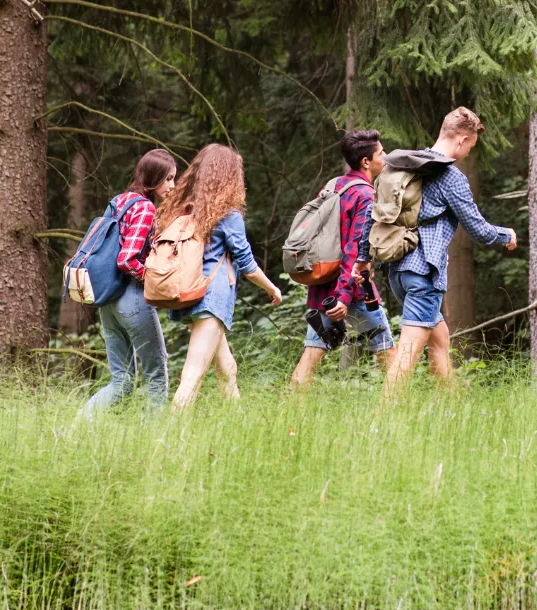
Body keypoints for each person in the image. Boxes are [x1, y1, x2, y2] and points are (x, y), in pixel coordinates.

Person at [383, 107, 518, 393]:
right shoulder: (450, 177)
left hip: (398, 270)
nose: (469, 153)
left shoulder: (409, 165)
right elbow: (478, 229)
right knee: (407, 354)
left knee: (439, 339)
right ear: (461, 140)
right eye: (471, 146)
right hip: (424, 274)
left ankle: (451, 409)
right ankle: (380, 425)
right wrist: (506, 235)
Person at [165, 144, 283, 408]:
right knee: (192, 376)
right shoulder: (228, 215)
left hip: (189, 294)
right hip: (212, 299)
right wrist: (272, 288)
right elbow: (248, 265)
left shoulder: (188, 210)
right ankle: (167, 441)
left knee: (227, 368)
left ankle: (238, 426)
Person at [290, 129, 395, 387]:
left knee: (311, 356)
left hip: (322, 286)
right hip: (352, 292)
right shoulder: (365, 195)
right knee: (388, 354)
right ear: (366, 162)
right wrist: (343, 297)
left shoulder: (333, 186)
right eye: (381, 153)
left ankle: (289, 419)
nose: (386, 157)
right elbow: (354, 251)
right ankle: (398, 413)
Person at [83, 148, 177, 413]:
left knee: (122, 381)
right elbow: (126, 260)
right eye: (168, 179)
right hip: (131, 298)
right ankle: (153, 440)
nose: (172, 185)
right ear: (153, 176)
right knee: (157, 376)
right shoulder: (146, 208)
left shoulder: (119, 201)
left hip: (108, 299)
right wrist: (153, 280)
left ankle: (77, 426)